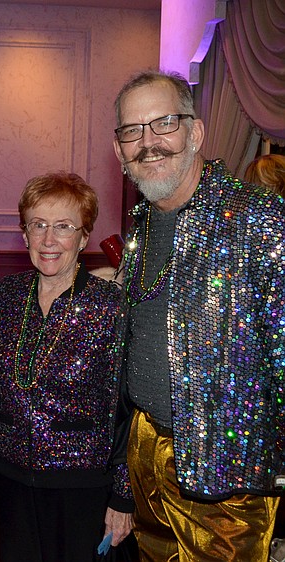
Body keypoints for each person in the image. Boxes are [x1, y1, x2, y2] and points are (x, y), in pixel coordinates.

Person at [113, 70, 285, 560]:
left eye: (163, 123)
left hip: (229, 480)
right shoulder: (142, 227)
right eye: (132, 131)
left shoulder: (257, 218)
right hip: (148, 457)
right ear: (120, 149)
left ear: (196, 132)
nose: (148, 142)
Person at [0, 172, 133, 561]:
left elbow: (126, 409)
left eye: (63, 227)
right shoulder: (7, 296)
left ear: (84, 238)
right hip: (10, 476)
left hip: (81, 485)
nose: (49, 240)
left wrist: (123, 494)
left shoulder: (109, 306)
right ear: (24, 234)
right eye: (38, 225)